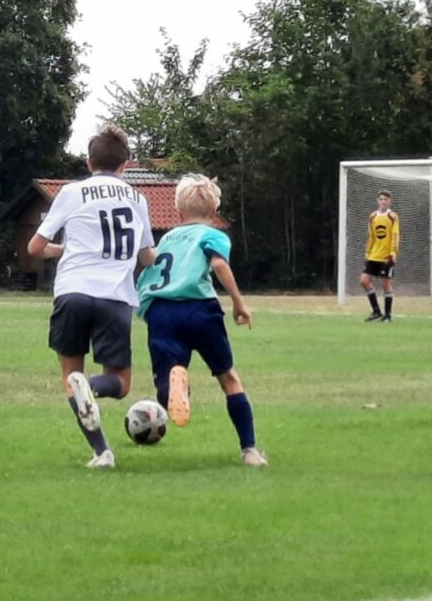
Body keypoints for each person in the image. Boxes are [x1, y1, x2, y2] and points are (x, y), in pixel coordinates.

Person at [27, 125, 156, 469]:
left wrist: (65, 248)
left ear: (88, 162)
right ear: (126, 165)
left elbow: (35, 248)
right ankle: (93, 387)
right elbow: (147, 257)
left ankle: (102, 452)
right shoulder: (138, 198)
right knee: (121, 383)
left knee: (72, 378)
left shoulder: (71, 192)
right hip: (115, 297)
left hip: (72, 292)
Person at [136, 174, 266, 466]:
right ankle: (250, 451)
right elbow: (218, 264)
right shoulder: (214, 235)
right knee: (229, 378)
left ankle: (176, 386)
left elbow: (151, 265)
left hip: (162, 312)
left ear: (178, 212)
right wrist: (238, 302)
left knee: (167, 379)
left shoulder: (168, 237)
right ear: (214, 212)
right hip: (199, 309)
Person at [361, 190, 400, 322]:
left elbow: (395, 235)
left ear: (389, 201)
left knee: (386, 285)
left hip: (386, 256)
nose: (383, 201)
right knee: (364, 281)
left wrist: (393, 253)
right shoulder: (372, 216)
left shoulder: (392, 217)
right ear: (377, 201)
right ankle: (376, 311)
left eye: (385, 199)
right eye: (381, 199)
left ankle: (388, 315)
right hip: (373, 255)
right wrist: (367, 251)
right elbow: (371, 235)